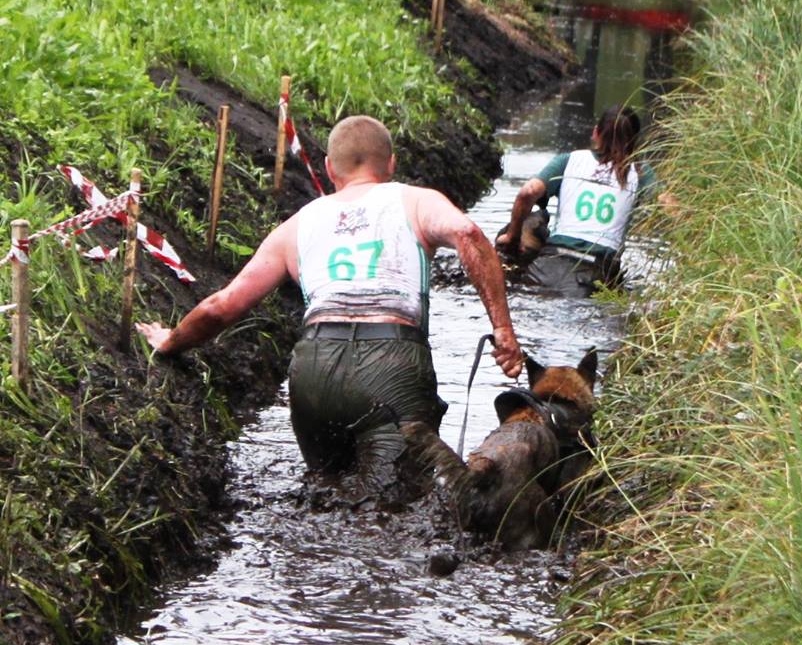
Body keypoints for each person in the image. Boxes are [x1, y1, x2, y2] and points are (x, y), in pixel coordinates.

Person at [137, 115, 523, 500]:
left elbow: (222, 306)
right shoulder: (416, 200)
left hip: (314, 371)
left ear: (328, 168)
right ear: (391, 163)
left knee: (326, 495)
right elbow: (468, 233)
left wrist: (171, 341)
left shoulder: (297, 225)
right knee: (394, 507)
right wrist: (503, 330)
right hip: (391, 365)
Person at [496, 103, 658, 296]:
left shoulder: (569, 160)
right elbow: (669, 206)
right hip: (595, 271)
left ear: (596, 133)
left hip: (549, 262)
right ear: (634, 142)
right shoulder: (640, 172)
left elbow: (527, 193)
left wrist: (512, 236)